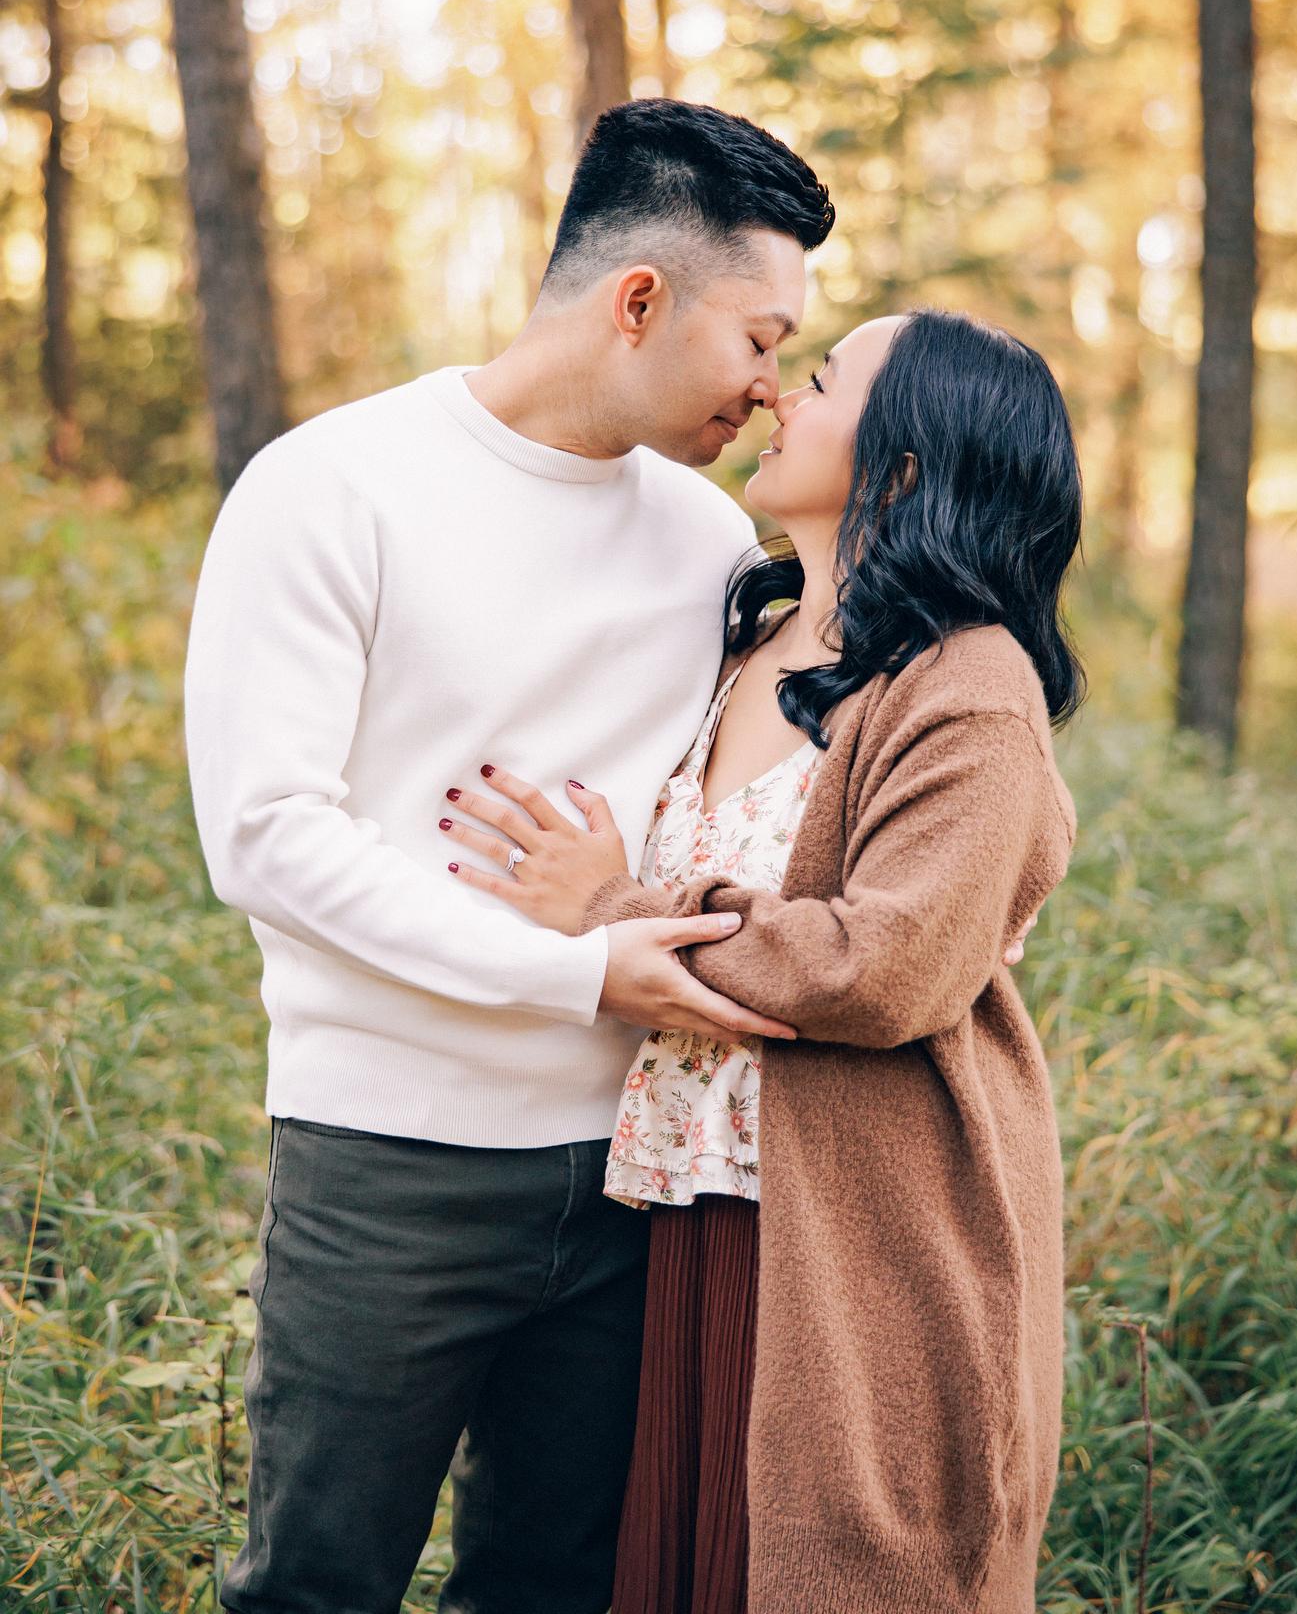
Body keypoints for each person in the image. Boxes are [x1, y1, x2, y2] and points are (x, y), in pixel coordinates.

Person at [182, 99, 838, 1614]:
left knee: (554, 1587)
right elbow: (268, 840)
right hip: (385, 1164)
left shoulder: (711, 548)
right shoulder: (329, 487)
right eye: (758, 336)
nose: (765, 386)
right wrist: (571, 970)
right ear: (636, 300)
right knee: (313, 1584)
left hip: (636, 1174)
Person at [439, 306, 1083, 1614]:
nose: (783, 393)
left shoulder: (965, 679)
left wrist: (615, 901)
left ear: (905, 458)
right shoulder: (745, 645)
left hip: (848, 1240)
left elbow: (889, 964)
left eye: (828, 379)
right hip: (684, 1218)